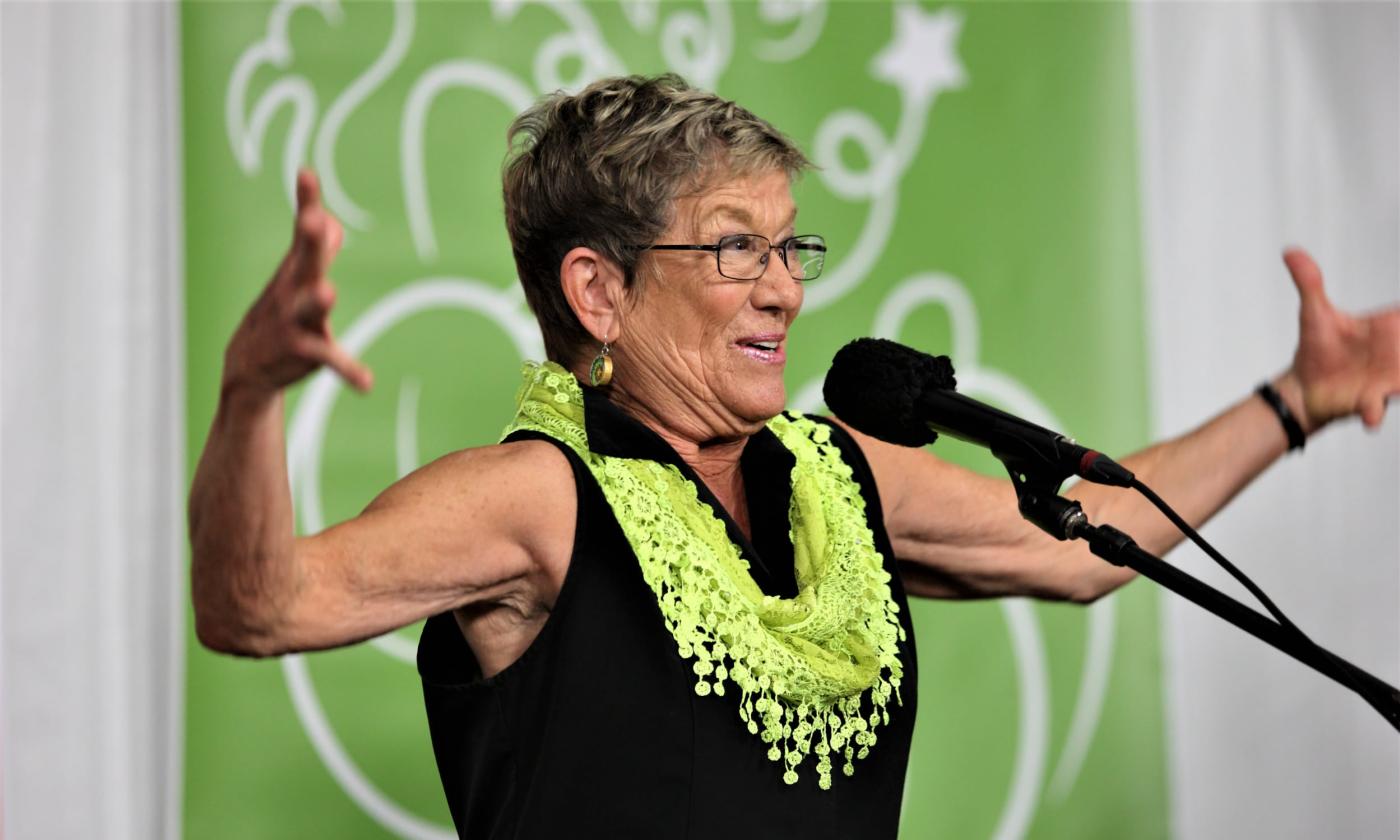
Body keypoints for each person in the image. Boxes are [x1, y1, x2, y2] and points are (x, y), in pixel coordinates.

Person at [188, 74, 1399, 837]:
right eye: (733, 250)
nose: (782, 291)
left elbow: (1090, 551)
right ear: (598, 291)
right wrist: (249, 397)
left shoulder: (835, 477)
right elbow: (256, 606)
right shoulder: (533, 500)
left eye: (788, 248)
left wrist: (1296, 398)